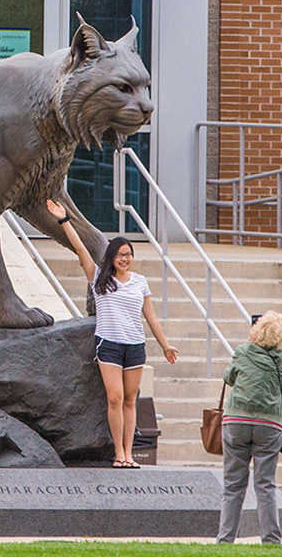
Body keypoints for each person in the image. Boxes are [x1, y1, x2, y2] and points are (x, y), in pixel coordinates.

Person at [47, 199, 178, 469]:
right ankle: (118, 452)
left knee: (131, 401)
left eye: (129, 254)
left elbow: (150, 316)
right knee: (115, 398)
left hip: (135, 346)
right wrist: (64, 221)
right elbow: (81, 248)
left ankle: (129, 454)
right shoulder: (99, 279)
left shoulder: (140, 282)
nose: (125, 258)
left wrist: (165, 345)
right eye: (120, 254)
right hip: (109, 345)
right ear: (111, 257)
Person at [217, 310, 282, 544]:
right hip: (269, 424)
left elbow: (229, 377)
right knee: (265, 485)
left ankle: (225, 539)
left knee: (233, 484)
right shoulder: (280, 358)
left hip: (236, 422)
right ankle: (271, 539)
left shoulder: (243, 351)